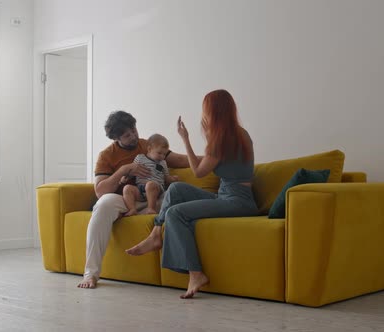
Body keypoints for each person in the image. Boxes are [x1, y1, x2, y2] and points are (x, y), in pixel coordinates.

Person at [125, 89, 259, 299]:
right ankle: (156, 234)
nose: (202, 115)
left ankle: (195, 273)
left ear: (213, 112)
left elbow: (197, 171)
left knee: (176, 213)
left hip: (238, 201)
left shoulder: (221, 139)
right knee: (176, 189)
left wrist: (185, 139)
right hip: (228, 196)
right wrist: (207, 138)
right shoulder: (239, 133)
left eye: (205, 110)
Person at [77, 111, 189, 289]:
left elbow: (180, 160)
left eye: (134, 130)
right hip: (126, 198)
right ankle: (90, 274)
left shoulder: (148, 144)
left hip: (154, 198)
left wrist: (212, 158)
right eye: (127, 135)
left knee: (176, 193)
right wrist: (124, 170)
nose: (134, 136)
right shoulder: (107, 155)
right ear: (116, 138)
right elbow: (100, 190)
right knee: (103, 204)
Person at [120, 133, 178, 216]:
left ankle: (151, 208)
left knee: (150, 185)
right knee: (127, 188)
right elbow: (132, 171)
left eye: (164, 154)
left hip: (156, 188)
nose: (162, 156)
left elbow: (165, 177)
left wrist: (172, 179)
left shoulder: (162, 163)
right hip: (140, 189)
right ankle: (132, 209)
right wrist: (126, 177)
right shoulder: (140, 158)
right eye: (159, 153)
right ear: (150, 149)